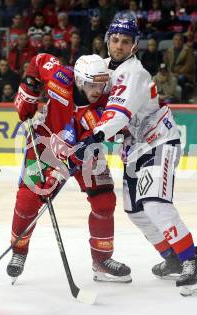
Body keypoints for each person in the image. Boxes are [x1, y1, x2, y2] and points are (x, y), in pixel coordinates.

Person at [72, 18, 197, 297]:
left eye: (125, 41)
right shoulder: (103, 67)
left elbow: (118, 113)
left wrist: (95, 136)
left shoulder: (133, 73)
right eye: (115, 40)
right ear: (108, 40)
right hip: (135, 147)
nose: (119, 46)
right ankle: (172, 258)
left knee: (155, 203)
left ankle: (191, 264)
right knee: (136, 211)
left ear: (134, 46)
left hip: (158, 141)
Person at [7, 53, 131, 283]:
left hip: (84, 151)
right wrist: (30, 87)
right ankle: (19, 251)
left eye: (102, 84)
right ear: (80, 81)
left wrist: (63, 169)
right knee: (27, 200)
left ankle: (101, 260)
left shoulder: (104, 106)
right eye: (93, 84)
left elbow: (91, 143)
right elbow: (39, 59)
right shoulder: (59, 77)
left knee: (104, 201)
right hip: (45, 143)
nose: (99, 90)